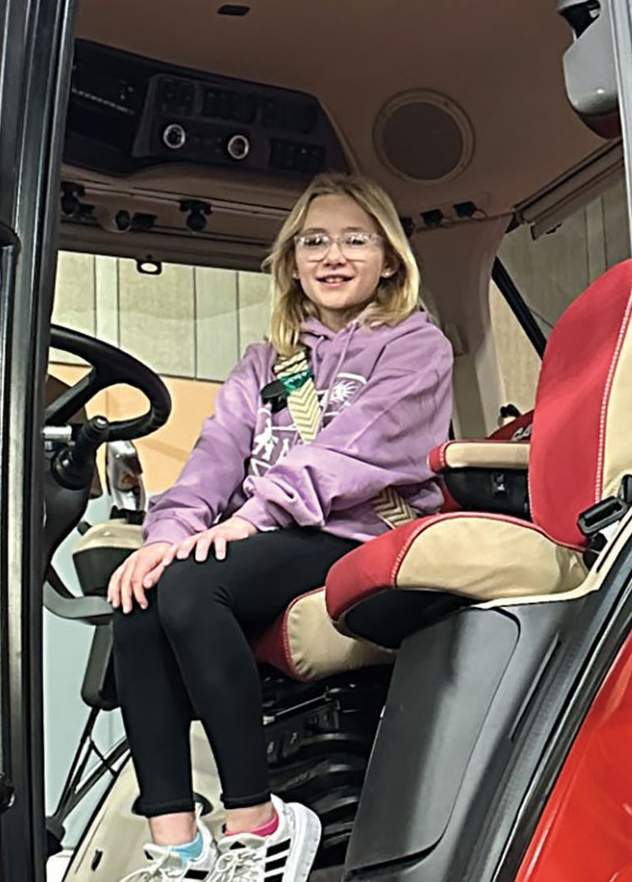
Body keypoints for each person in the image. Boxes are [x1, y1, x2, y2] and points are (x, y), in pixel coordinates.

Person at [105, 173, 454, 882]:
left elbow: (355, 450)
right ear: (292, 261)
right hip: (271, 532)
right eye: (314, 241)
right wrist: (166, 536)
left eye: (356, 240)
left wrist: (249, 520)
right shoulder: (267, 363)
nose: (333, 256)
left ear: (389, 258)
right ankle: (179, 847)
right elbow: (212, 460)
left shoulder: (415, 347)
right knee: (141, 599)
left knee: (195, 591)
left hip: (359, 532)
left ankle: (255, 822)